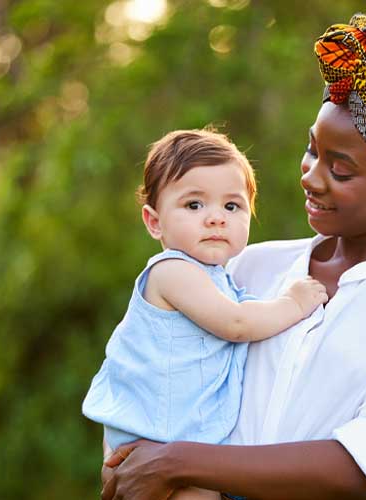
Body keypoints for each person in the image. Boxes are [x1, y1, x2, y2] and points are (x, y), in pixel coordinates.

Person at [101, 11, 366, 500]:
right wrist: (136, 456)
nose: (311, 177)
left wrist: (175, 462)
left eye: (341, 168)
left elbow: (363, 470)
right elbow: (160, 368)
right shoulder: (250, 265)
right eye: (312, 151)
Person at [82, 129, 330, 500]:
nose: (215, 218)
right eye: (194, 205)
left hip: (176, 439)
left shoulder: (220, 280)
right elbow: (237, 323)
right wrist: (293, 304)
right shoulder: (172, 272)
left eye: (232, 206)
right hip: (151, 436)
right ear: (154, 222)